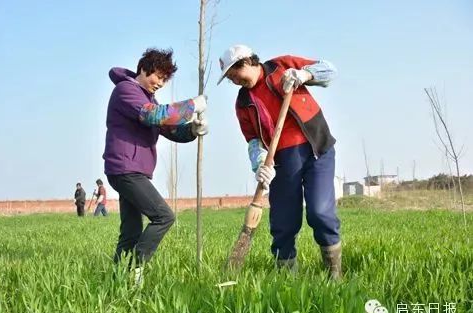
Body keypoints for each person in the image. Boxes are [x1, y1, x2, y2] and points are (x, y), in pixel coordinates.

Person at [217, 45, 342, 279]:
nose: (234, 81)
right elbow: (253, 140)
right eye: (230, 79)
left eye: (235, 74)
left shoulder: (282, 65)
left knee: (320, 212)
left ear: (247, 62)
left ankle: (334, 273)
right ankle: (287, 280)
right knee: (283, 222)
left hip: (317, 149)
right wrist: (260, 164)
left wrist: (305, 74)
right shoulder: (243, 103)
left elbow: (330, 69)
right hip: (282, 162)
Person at [103, 47, 208, 284]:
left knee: (130, 232)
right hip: (125, 168)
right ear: (143, 68)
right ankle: (136, 269)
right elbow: (154, 116)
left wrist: (192, 129)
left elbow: (167, 127)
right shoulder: (126, 90)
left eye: (164, 79)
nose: (160, 83)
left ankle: (116, 280)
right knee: (164, 216)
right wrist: (191, 105)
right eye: (158, 77)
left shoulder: (148, 98)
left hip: (134, 170)